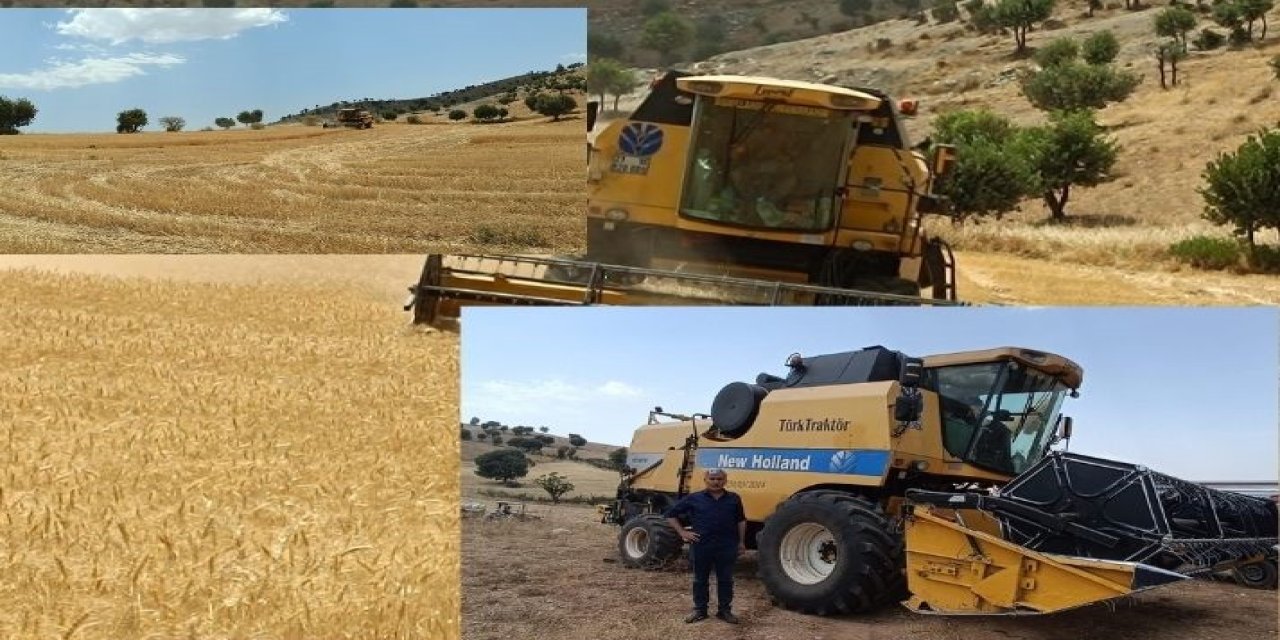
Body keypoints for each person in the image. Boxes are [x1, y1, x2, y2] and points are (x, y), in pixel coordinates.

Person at [664, 468, 747, 624]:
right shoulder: (694, 498)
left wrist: (741, 542)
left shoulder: (734, 499)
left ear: (725, 480)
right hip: (702, 545)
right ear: (705, 480)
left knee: (726, 580)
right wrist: (682, 532)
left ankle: (725, 611)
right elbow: (670, 515)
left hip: (727, 545)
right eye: (713, 479)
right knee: (700, 579)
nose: (716, 482)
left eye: (720, 479)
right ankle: (700, 611)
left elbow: (741, 521)